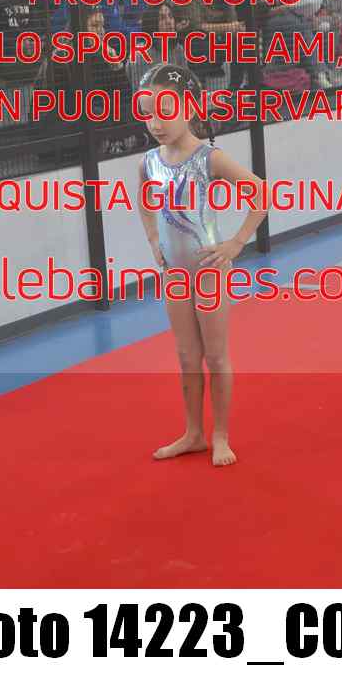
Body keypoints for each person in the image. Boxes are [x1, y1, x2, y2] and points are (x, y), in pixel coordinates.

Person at [137, 63, 268, 466]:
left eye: (165, 112)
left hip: (209, 269)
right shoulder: (149, 162)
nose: (155, 123)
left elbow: (260, 193)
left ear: (189, 108)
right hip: (175, 274)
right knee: (186, 357)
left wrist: (236, 243)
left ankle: (220, 434)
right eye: (147, 113)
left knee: (215, 356)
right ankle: (193, 432)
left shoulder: (209, 158)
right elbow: (144, 199)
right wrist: (154, 239)